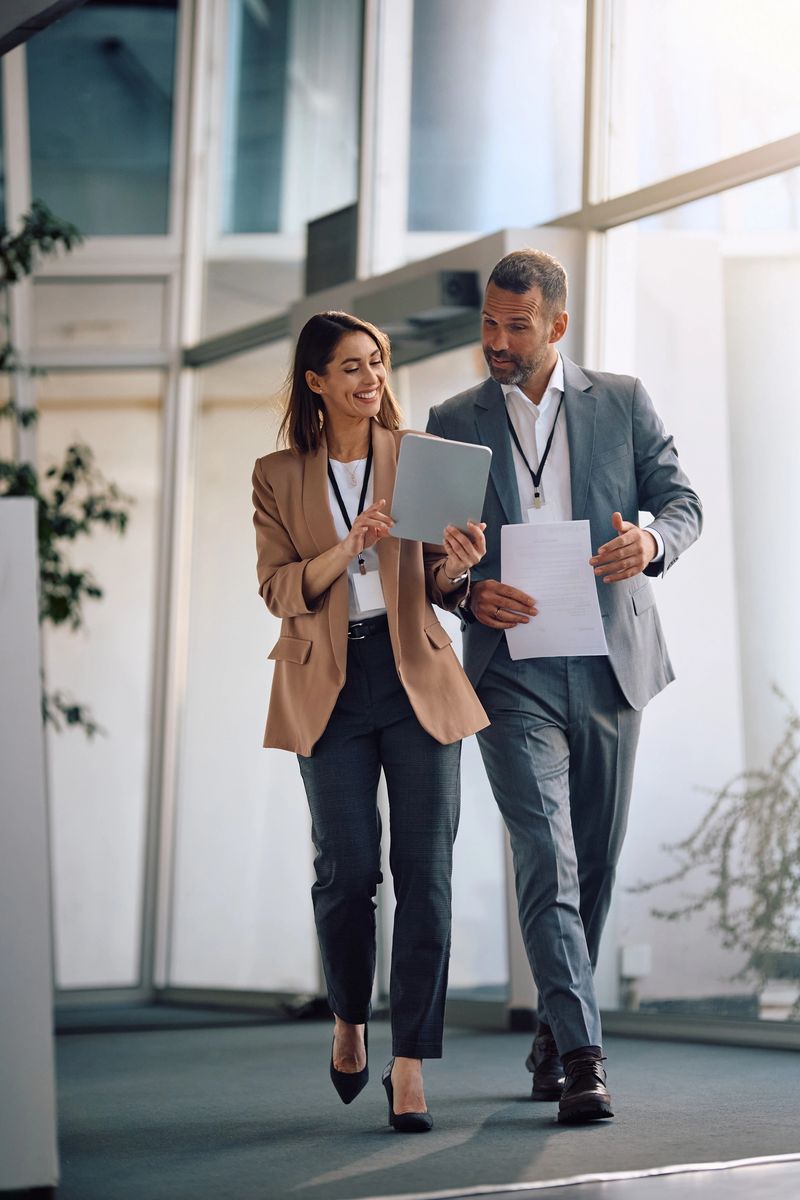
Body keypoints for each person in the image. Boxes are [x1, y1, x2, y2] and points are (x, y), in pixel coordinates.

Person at [427, 249, 702, 1124]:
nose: (498, 343)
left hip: (610, 659)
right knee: (547, 854)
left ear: (557, 325)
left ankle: (554, 1025)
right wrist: (465, 589)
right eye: (488, 325)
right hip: (511, 672)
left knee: (595, 858)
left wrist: (651, 543)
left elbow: (683, 502)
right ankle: (584, 1056)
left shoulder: (621, 401)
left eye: (516, 326)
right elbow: (424, 565)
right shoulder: (449, 419)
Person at [252, 311, 488, 1133]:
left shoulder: (415, 457)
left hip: (414, 671)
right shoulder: (277, 475)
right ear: (316, 382)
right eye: (351, 366)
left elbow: (438, 581)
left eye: (377, 363)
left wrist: (457, 565)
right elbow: (278, 588)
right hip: (329, 683)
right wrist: (344, 547)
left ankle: (412, 1063)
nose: (370, 379)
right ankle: (351, 1018)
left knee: (427, 874)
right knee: (348, 874)